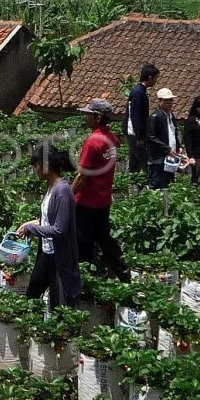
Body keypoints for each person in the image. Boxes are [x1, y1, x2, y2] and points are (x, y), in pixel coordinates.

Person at [16, 142, 81, 307]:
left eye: (36, 165)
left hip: (59, 257)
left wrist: (32, 228)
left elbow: (59, 229)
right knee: (32, 295)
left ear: (46, 166)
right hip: (47, 253)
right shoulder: (51, 188)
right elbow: (48, 220)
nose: (35, 169)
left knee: (59, 304)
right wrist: (29, 224)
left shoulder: (63, 191)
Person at [71, 99, 129, 280]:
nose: (85, 117)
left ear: (97, 118)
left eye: (88, 114)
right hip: (103, 199)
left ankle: (84, 277)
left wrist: (68, 194)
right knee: (103, 238)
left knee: (82, 241)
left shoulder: (93, 141)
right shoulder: (111, 137)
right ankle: (122, 271)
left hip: (87, 200)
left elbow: (82, 175)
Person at [146, 87, 187, 190]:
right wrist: (167, 148)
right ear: (160, 101)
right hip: (159, 157)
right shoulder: (155, 117)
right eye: (167, 101)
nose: (170, 103)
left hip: (170, 156)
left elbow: (174, 132)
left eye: (171, 101)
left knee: (169, 182)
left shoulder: (171, 116)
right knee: (157, 183)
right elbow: (151, 137)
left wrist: (178, 146)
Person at [122, 63, 159, 174]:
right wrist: (140, 137)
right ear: (150, 77)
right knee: (145, 163)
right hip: (134, 134)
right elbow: (136, 116)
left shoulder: (140, 91)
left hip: (135, 133)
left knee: (134, 164)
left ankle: (133, 186)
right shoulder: (138, 93)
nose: (156, 81)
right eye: (156, 78)